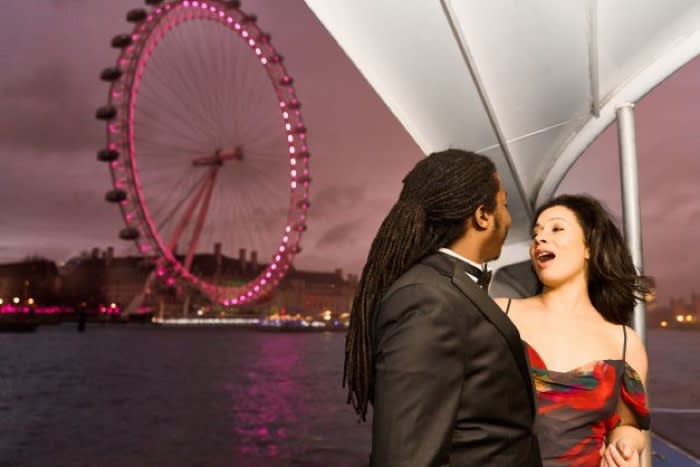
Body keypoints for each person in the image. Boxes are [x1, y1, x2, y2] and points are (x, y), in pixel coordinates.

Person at [343, 149, 542, 466]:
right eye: (504, 206)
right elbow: (406, 458)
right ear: (482, 216)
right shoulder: (427, 299)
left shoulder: (443, 290)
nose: (509, 218)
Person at [495, 194, 652, 466]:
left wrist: (624, 447)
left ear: (589, 246)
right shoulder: (500, 313)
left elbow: (629, 425)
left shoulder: (624, 341)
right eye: (536, 233)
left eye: (556, 228)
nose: (540, 239)